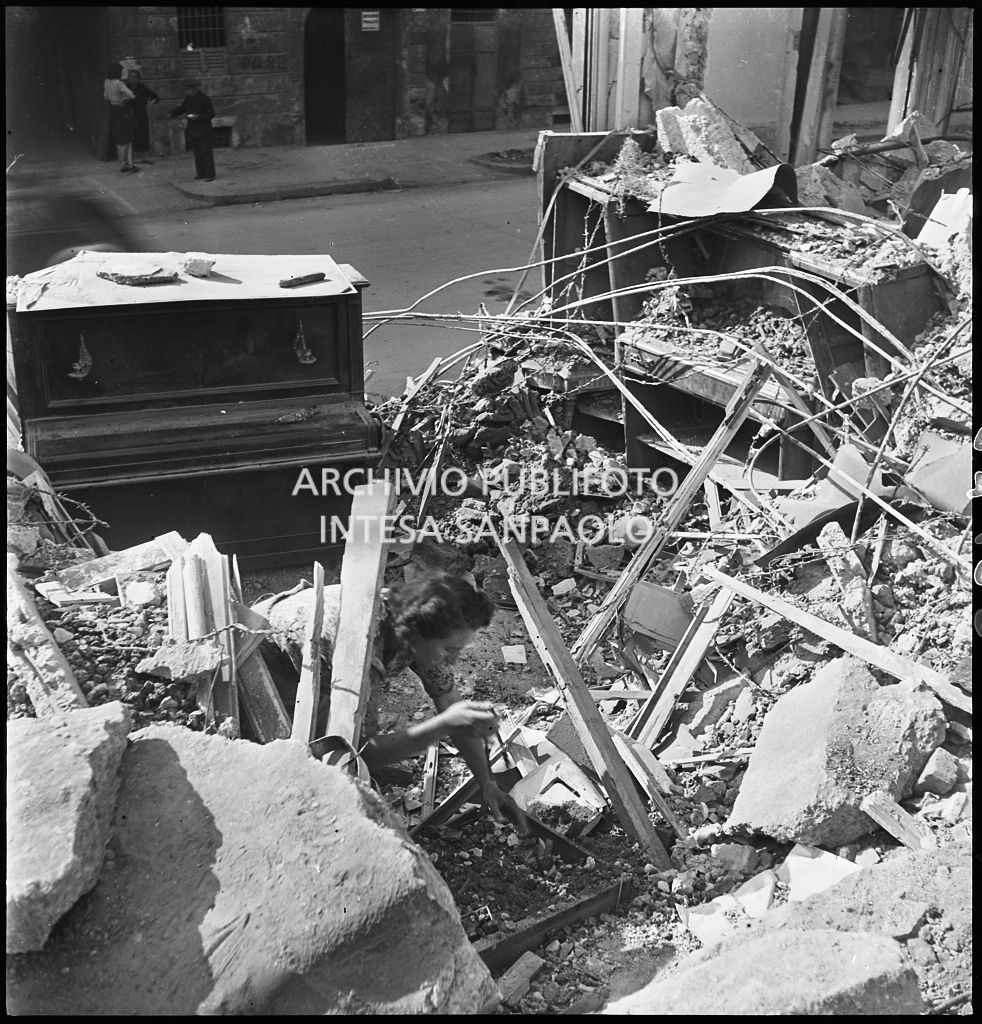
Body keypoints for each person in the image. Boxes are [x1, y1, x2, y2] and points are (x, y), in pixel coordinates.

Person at [254, 571, 528, 834]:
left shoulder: (417, 625)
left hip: (315, 657)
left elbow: (448, 699)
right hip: (261, 662)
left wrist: (487, 782)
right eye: (449, 650)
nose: (454, 660)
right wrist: (443, 726)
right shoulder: (358, 649)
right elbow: (358, 751)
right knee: (310, 762)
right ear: (416, 634)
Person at [168, 78, 216, 181]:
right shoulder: (188, 98)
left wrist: (198, 117)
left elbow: (211, 114)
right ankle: (201, 173)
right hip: (193, 129)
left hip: (204, 130)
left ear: (194, 89)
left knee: (206, 153)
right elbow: (182, 108)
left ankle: (210, 174)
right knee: (197, 153)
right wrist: (172, 113)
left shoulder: (205, 99)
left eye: (188, 89)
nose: (187, 91)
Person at [103, 63, 138, 173]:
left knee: (120, 138)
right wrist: (123, 98)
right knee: (127, 138)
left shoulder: (106, 82)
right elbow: (131, 95)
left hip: (113, 110)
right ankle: (129, 164)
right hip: (122, 110)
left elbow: (105, 96)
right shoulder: (119, 83)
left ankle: (124, 164)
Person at [125, 68, 159, 164]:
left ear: (138, 79)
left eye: (134, 77)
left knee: (143, 134)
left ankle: (145, 156)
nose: (132, 79)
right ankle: (131, 158)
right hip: (130, 114)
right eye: (130, 76)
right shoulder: (126, 87)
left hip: (141, 113)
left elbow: (155, 97)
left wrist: (150, 104)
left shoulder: (142, 88)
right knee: (131, 135)